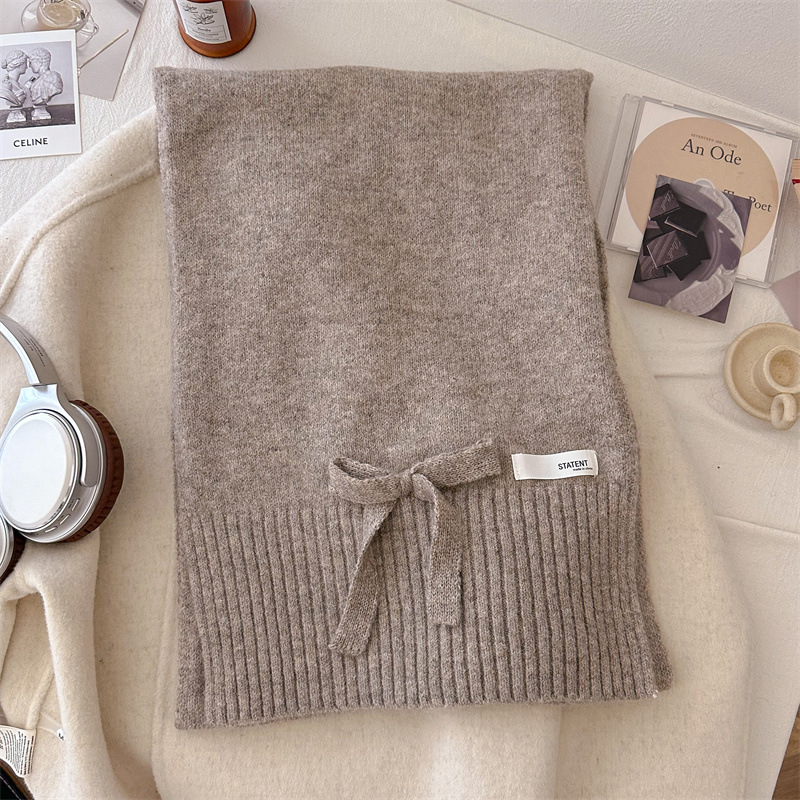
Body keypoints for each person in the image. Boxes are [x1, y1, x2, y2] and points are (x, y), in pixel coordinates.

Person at [26, 47, 63, 121]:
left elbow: (56, 89)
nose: (29, 66)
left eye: (30, 62)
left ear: (39, 63)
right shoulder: (36, 79)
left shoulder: (54, 78)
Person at [0, 50, 28, 124]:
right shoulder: (5, 86)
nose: (27, 67)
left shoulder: (16, 83)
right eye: (25, 63)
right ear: (18, 64)